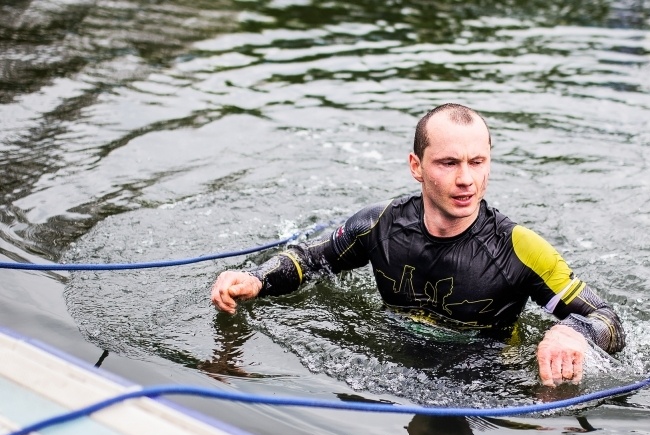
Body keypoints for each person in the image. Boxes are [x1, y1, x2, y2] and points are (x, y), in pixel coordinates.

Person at [211, 103, 625, 387]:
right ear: (417, 167)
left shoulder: (519, 248)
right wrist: (255, 279)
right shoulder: (379, 225)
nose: (467, 180)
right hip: (388, 361)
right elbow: (309, 260)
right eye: (449, 163)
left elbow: (610, 320)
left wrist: (573, 332)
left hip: (486, 378)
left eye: (477, 162)